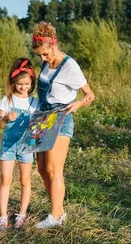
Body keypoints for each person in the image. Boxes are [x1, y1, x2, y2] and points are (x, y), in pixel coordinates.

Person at [32, 21, 95, 229]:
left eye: (45, 54)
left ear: (54, 46)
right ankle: (57, 209)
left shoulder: (70, 66)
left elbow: (90, 94)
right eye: (40, 55)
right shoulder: (45, 63)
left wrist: (77, 104)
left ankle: (56, 216)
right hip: (43, 116)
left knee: (53, 168)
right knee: (41, 169)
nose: (42, 58)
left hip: (61, 116)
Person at [0, 58, 40, 231]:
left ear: (31, 82)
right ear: (13, 82)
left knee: (25, 180)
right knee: (5, 179)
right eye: (20, 84)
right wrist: (5, 118)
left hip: (26, 146)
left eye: (27, 84)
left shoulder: (35, 103)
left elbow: (40, 125)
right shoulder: (6, 100)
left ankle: (21, 214)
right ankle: (3, 217)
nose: (23, 87)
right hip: (8, 146)